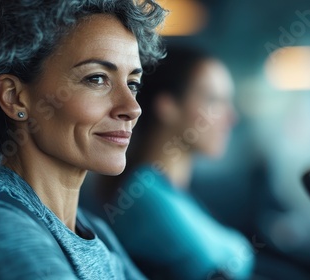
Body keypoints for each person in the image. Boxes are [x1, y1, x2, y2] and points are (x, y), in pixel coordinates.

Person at [0, 0, 166, 279]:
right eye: (97, 79)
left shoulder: (93, 230)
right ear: (14, 96)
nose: (132, 108)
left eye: (132, 84)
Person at [94, 47, 256, 279]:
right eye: (213, 101)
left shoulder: (168, 190)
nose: (231, 117)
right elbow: (221, 268)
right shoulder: (142, 192)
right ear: (167, 106)